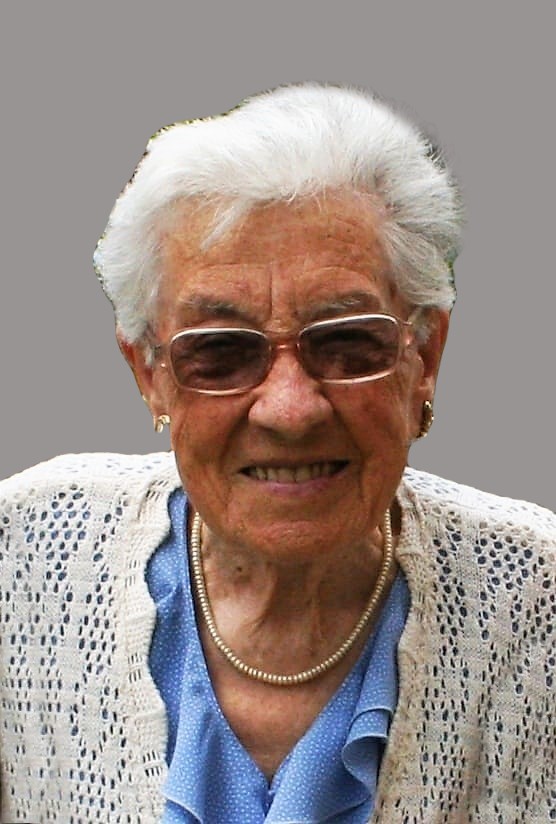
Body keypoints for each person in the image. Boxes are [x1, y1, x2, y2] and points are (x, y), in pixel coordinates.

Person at [0, 82, 554, 824]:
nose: (291, 410)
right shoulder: (23, 560)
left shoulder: (537, 603)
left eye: (347, 341)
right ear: (149, 373)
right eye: (221, 352)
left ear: (424, 357)